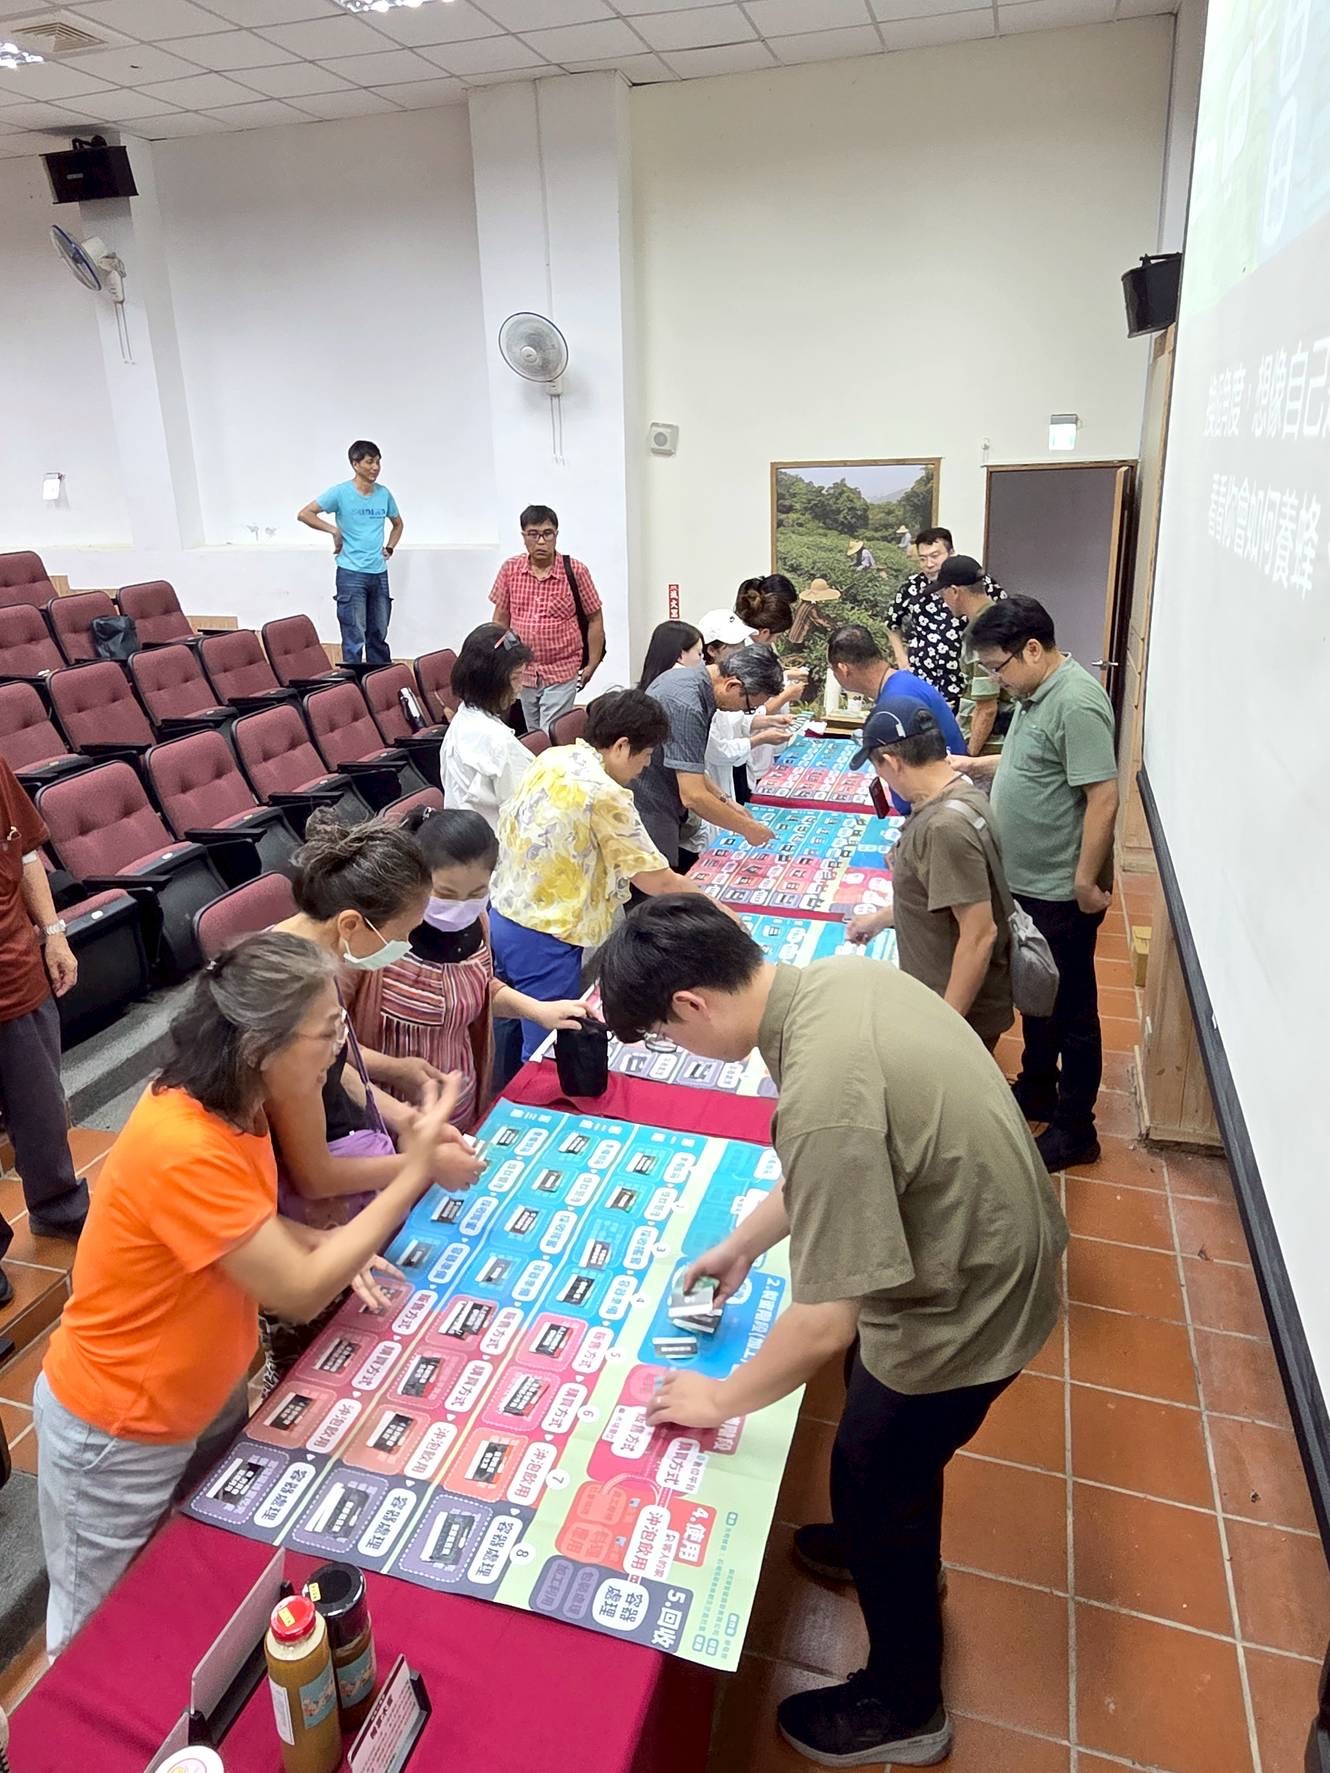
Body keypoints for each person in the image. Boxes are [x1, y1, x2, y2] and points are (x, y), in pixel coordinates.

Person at [595, 898, 1066, 1769]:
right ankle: (873, 1542)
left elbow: (822, 1321)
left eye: (665, 1033)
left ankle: (907, 1703)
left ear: (692, 1002)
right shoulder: (832, 984)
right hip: (981, 1241)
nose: (677, 1048)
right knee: (871, 1436)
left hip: (972, 1298)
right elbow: (835, 1163)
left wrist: (719, 1398)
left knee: (875, 1465)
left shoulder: (821, 1087)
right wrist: (743, 1244)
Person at [33, 932, 464, 1655]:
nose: (340, 1047)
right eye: (327, 1031)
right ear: (261, 1046)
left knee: (194, 1582)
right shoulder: (184, 1142)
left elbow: (244, 1227)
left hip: (204, 1395)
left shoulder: (244, 1104)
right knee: (92, 1634)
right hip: (119, 1426)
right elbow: (296, 1294)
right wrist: (412, 1170)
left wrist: (319, 1244)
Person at [960, 595, 1119, 1171]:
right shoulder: (1035, 694)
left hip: (1059, 889)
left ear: (1032, 649)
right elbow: (1035, 764)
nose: (997, 681)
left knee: (1072, 1010)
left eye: (998, 667)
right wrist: (976, 766)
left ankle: (1076, 1129)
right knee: (1036, 991)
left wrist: (1084, 880)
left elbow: (1103, 796)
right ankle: (1037, 1087)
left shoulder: (1076, 701)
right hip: (1026, 883)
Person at [267, 812, 483, 1230]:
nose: (405, 946)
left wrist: (406, 1118)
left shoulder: (311, 957)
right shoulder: (287, 1000)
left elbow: (333, 1068)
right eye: (402, 935)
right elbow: (314, 1175)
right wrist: (422, 1165)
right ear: (350, 923)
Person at [488, 690, 718, 1059]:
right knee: (547, 1045)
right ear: (622, 746)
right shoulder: (604, 793)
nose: (646, 766)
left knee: (508, 1022)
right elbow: (657, 880)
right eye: (646, 755)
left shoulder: (555, 756)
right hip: (545, 932)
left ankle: (503, 1087)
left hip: (503, 911)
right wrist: (718, 911)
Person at [350, 806, 585, 1133]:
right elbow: (331, 1045)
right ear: (415, 878)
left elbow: (476, 987)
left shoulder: (478, 923)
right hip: (388, 1116)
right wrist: (395, 1070)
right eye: (445, 894)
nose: (459, 907)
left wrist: (538, 1010)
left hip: (460, 1101)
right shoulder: (372, 939)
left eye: (476, 894)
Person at [845, 699, 1013, 1049]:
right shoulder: (961, 790)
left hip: (955, 1007)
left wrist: (946, 1027)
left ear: (892, 761)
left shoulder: (944, 828)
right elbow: (939, 892)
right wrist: (880, 919)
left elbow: (979, 934)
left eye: (879, 769)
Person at [0, 758, 89, 1310]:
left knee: (41, 1109)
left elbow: (26, 851)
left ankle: (59, 1208)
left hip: (14, 969)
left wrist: (54, 933)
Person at [632, 644, 785, 867]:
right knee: (657, 878)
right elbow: (692, 795)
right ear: (732, 685)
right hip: (650, 802)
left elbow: (689, 762)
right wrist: (748, 828)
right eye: (749, 707)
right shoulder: (687, 705)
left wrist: (726, 801)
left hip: (663, 796)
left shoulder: (690, 679)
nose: (743, 712)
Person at [490, 504, 606, 732]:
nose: (541, 541)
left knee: (549, 733)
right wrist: (498, 662)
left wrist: (592, 663)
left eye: (547, 534)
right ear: (524, 536)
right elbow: (500, 620)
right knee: (534, 733)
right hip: (523, 670)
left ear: (556, 535)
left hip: (562, 669)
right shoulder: (510, 570)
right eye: (533, 534)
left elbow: (595, 618)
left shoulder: (575, 571)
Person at [826, 624, 964, 814]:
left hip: (939, 806)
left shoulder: (896, 704)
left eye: (832, 669)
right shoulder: (901, 681)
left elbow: (910, 776)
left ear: (843, 669)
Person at [297, 440, 402, 667]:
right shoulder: (340, 493)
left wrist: (390, 547)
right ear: (355, 464)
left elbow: (397, 524)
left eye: (378, 462)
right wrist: (334, 531)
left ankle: (379, 681)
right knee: (354, 637)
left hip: (379, 573)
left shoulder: (384, 494)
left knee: (378, 635)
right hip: (351, 573)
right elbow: (305, 514)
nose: (375, 467)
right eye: (370, 462)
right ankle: (352, 684)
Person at [887, 526, 1002, 709]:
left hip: (964, 680)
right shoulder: (912, 586)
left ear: (951, 553)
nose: (929, 564)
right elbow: (892, 623)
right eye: (922, 559)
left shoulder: (976, 582)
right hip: (923, 680)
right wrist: (901, 657)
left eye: (935, 556)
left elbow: (1003, 620)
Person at [697, 610, 799, 805]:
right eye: (735, 646)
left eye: (743, 644)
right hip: (717, 778)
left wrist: (768, 721)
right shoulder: (702, 695)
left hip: (736, 770)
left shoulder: (732, 686)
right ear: (712, 650)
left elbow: (736, 721)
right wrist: (760, 738)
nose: (741, 651)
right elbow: (717, 751)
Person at [440, 624, 537, 828]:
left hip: (468, 838)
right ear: (490, 681)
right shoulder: (497, 742)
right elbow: (529, 812)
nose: (520, 687)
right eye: (515, 678)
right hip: (496, 841)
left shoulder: (461, 720)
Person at [934, 555, 1014, 756]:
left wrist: (970, 756)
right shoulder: (1000, 618)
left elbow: (987, 707)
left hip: (991, 747)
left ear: (954, 591)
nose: (943, 600)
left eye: (942, 593)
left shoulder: (984, 631)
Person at [637, 620, 703, 689]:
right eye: (699, 653)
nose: (702, 660)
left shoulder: (646, 691)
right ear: (680, 656)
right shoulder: (683, 687)